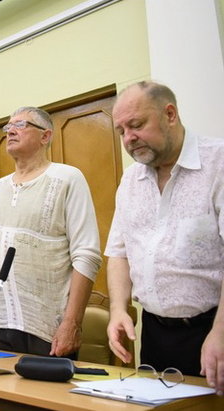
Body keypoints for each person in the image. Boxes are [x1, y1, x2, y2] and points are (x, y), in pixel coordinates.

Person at [105, 81, 224, 393]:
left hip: (213, 330)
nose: (129, 139)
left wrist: (221, 331)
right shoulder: (130, 179)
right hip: (155, 333)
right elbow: (118, 251)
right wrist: (118, 308)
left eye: (137, 125)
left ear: (170, 114)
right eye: (121, 131)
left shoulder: (218, 163)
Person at [0, 107, 102, 359]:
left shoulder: (67, 178)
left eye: (20, 125)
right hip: (0, 321)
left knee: (46, 396)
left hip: (47, 326)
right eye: (7, 126)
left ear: (45, 136)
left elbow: (87, 254)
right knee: (1, 395)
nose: (10, 131)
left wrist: (72, 322)